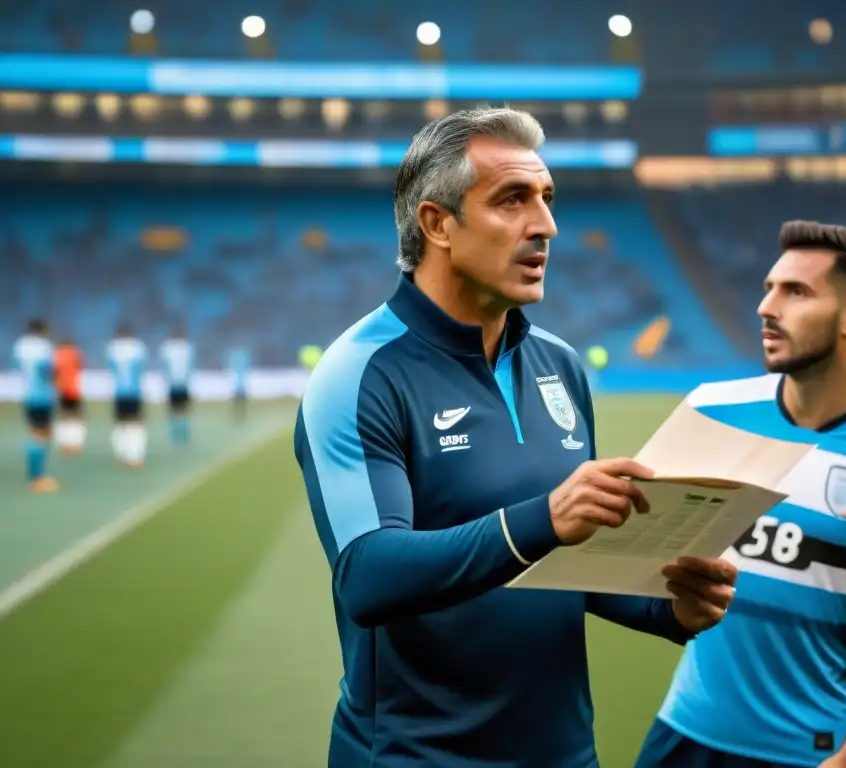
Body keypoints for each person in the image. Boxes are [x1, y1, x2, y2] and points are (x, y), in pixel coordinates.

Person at [293, 107, 738, 768]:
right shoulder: (360, 374)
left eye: (548, 199)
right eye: (513, 200)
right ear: (438, 223)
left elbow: (558, 567)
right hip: (416, 757)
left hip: (563, 753)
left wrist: (668, 608)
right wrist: (546, 518)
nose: (546, 226)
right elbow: (369, 575)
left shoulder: (560, 366)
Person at [637, 221, 846, 768]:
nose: (767, 307)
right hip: (683, 729)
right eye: (770, 288)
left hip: (807, 749)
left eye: (796, 292)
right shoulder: (711, 411)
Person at [12, 319, 58, 492]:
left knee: (35, 433)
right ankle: (36, 477)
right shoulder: (44, 347)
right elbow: (49, 371)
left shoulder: (20, 346)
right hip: (42, 396)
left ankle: (35, 476)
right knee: (42, 434)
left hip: (27, 394)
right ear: (42, 330)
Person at [107, 323, 148, 467]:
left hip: (119, 392)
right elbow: (142, 368)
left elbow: (111, 368)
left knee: (120, 423)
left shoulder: (112, 348)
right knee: (135, 424)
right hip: (134, 392)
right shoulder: (137, 347)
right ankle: (135, 456)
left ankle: (121, 454)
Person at [159, 326, 194, 445]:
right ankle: (184, 435)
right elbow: (191, 366)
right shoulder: (187, 347)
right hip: (183, 384)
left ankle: (174, 435)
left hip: (172, 384)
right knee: (183, 411)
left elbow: (164, 367)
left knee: (173, 411)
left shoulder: (167, 348)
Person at [53, 336, 86, 454]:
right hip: (73, 389)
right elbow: (80, 366)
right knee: (76, 417)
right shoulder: (75, 353)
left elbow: (54, 372)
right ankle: (75, 443)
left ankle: (65, 443)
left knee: (64, 416)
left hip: (62, 389)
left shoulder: (56, 354)